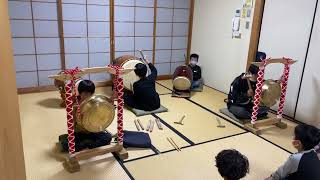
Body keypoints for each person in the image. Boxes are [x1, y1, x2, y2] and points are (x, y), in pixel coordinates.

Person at [59, 79, 112, 152]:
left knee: (108, 137)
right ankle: (87, 143)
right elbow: (73, 125)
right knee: (66, 145)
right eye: (85, 93)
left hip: (92, 131)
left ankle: (88, 144)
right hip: (80, 133)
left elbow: (100, 118)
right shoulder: (76, 106)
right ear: (80, 93)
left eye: (90, 93)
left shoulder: (95, 104)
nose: (88, 96)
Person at [227, 52, 269, 120]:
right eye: (256, 75)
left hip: (251, 105)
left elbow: (268, 85)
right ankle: (252, 114)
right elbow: (233, 97)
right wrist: (246, 94)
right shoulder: (238, 80)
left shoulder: (260, 81)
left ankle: (251, 114)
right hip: (237, 105)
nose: (259, 78)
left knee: (266, 108)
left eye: (260, 75)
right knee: (241, 111)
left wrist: (277, 82)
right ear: (249, 73)